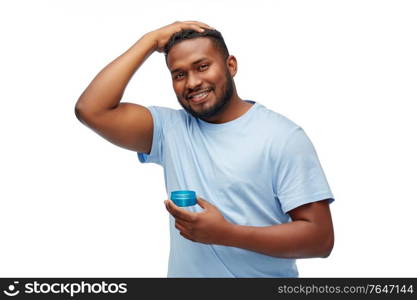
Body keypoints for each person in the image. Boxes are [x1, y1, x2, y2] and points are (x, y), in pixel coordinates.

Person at [75, 21, 335, 277]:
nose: (192, 82)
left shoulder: (282, 137)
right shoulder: (170, 130)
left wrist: (226, 234)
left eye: (202, 67)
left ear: (230, 65)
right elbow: (91, 109)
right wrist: (150, 41)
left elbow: (320, 239)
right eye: (179, 74)